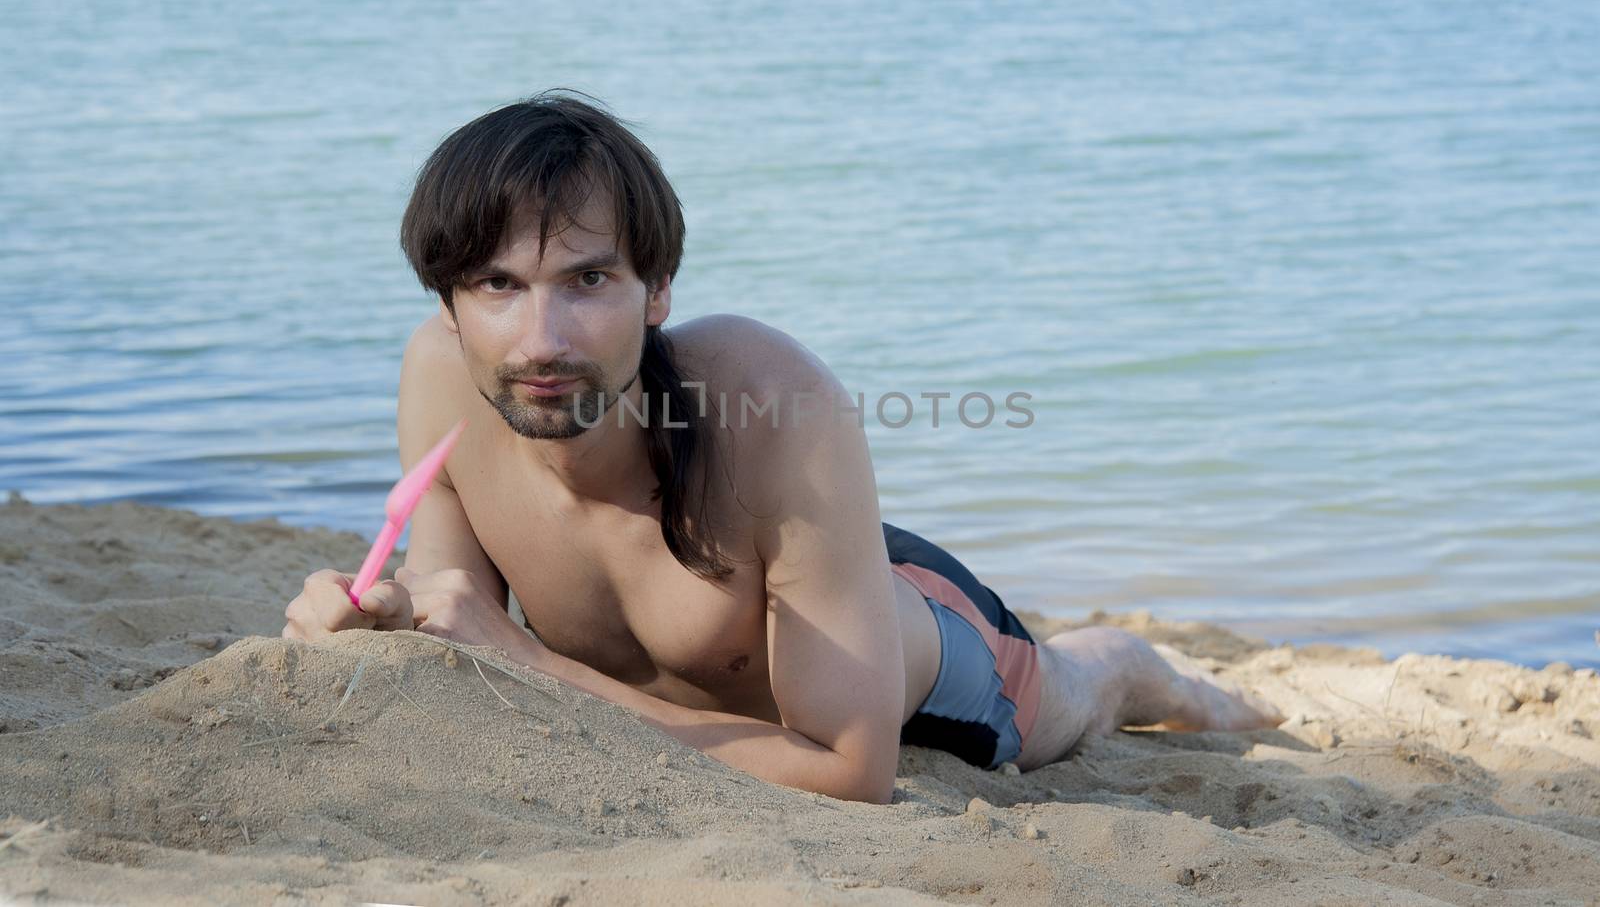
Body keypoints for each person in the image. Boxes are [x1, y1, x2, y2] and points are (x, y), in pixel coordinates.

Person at [281, 92, 1282, 803]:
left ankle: (1186, 685)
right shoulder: (437, 379)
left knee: (1087, 687)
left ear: (657, 290)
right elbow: (457, 634)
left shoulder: (769, 391)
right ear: (448, 304)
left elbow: (853, 773)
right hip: (805, 579)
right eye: (498, 284)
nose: (542, 339)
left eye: (587, 281)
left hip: (925, 654)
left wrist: (523, 663)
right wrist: (372, 618)